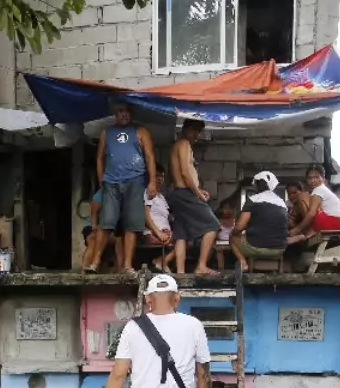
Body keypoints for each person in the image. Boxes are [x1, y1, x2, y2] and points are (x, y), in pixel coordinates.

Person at [87, 103, 158, 273]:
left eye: (127, 111)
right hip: (111, 182)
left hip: (135, 181)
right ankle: (94, 262)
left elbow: (149, 156)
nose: (124, 114)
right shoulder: (107, 132)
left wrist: (153, 181)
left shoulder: (141, 131)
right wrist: (101, 181)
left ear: (131, 113)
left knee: (131, 224)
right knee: (106, 223)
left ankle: (127, 265)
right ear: (115, 114)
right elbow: (99, 159)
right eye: (120, 111)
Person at [168, 119, 222, 274]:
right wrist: (197, 193)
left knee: (181, 234)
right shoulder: (183, 143)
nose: (196, 134)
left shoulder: (178, 145)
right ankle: (201, 265)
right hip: (186, 193)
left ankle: (180, 271)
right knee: (212, 225)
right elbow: (185, 172)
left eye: (199, 131)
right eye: (194, 130)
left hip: (180, 193)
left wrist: (199, 189)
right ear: (185, 128)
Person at [230, 170, 291, 272]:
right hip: (280, 249)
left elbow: (240, 227)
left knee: (232, 237)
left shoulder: (253, 200)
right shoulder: (282, 203)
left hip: (256, 247)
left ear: (256, 186)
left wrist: (236, 231)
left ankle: (243, 263)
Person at [302, 165, 340, 238]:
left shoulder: (319, 189)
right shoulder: (322, 189)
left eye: (316, 177)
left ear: (323, 178)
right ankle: (309, 231)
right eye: (310, 178)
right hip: (337, 224)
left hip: (332, 223)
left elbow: (312, 213)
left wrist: (297, 229)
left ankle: (306, 231)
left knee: (302, 197)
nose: (312, 181)